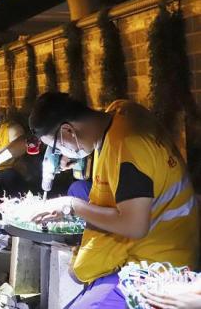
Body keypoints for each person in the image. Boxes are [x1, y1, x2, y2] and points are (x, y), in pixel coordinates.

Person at [28, 93, 199, 309]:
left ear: (68, 130)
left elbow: (134, 226)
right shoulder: (120, 112)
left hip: (161, 257)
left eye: (57, 146)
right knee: (79, 188)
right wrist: (79, 156)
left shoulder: (128, 145)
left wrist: (71, 206)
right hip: (173, 224)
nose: (60, 152)